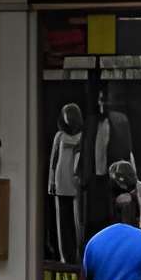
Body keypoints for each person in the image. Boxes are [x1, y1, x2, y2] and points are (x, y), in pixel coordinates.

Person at [45, 99, 87, 262]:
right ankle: (64, 256)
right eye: (65, 115)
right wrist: (51, 182)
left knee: (77, 223)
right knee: (62, 222)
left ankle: (78, 255)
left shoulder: (83, 136)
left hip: (76, 182)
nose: (68, 118)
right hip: (60, 181)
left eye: (70, 115)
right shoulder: (59, 136)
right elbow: (53, 161)